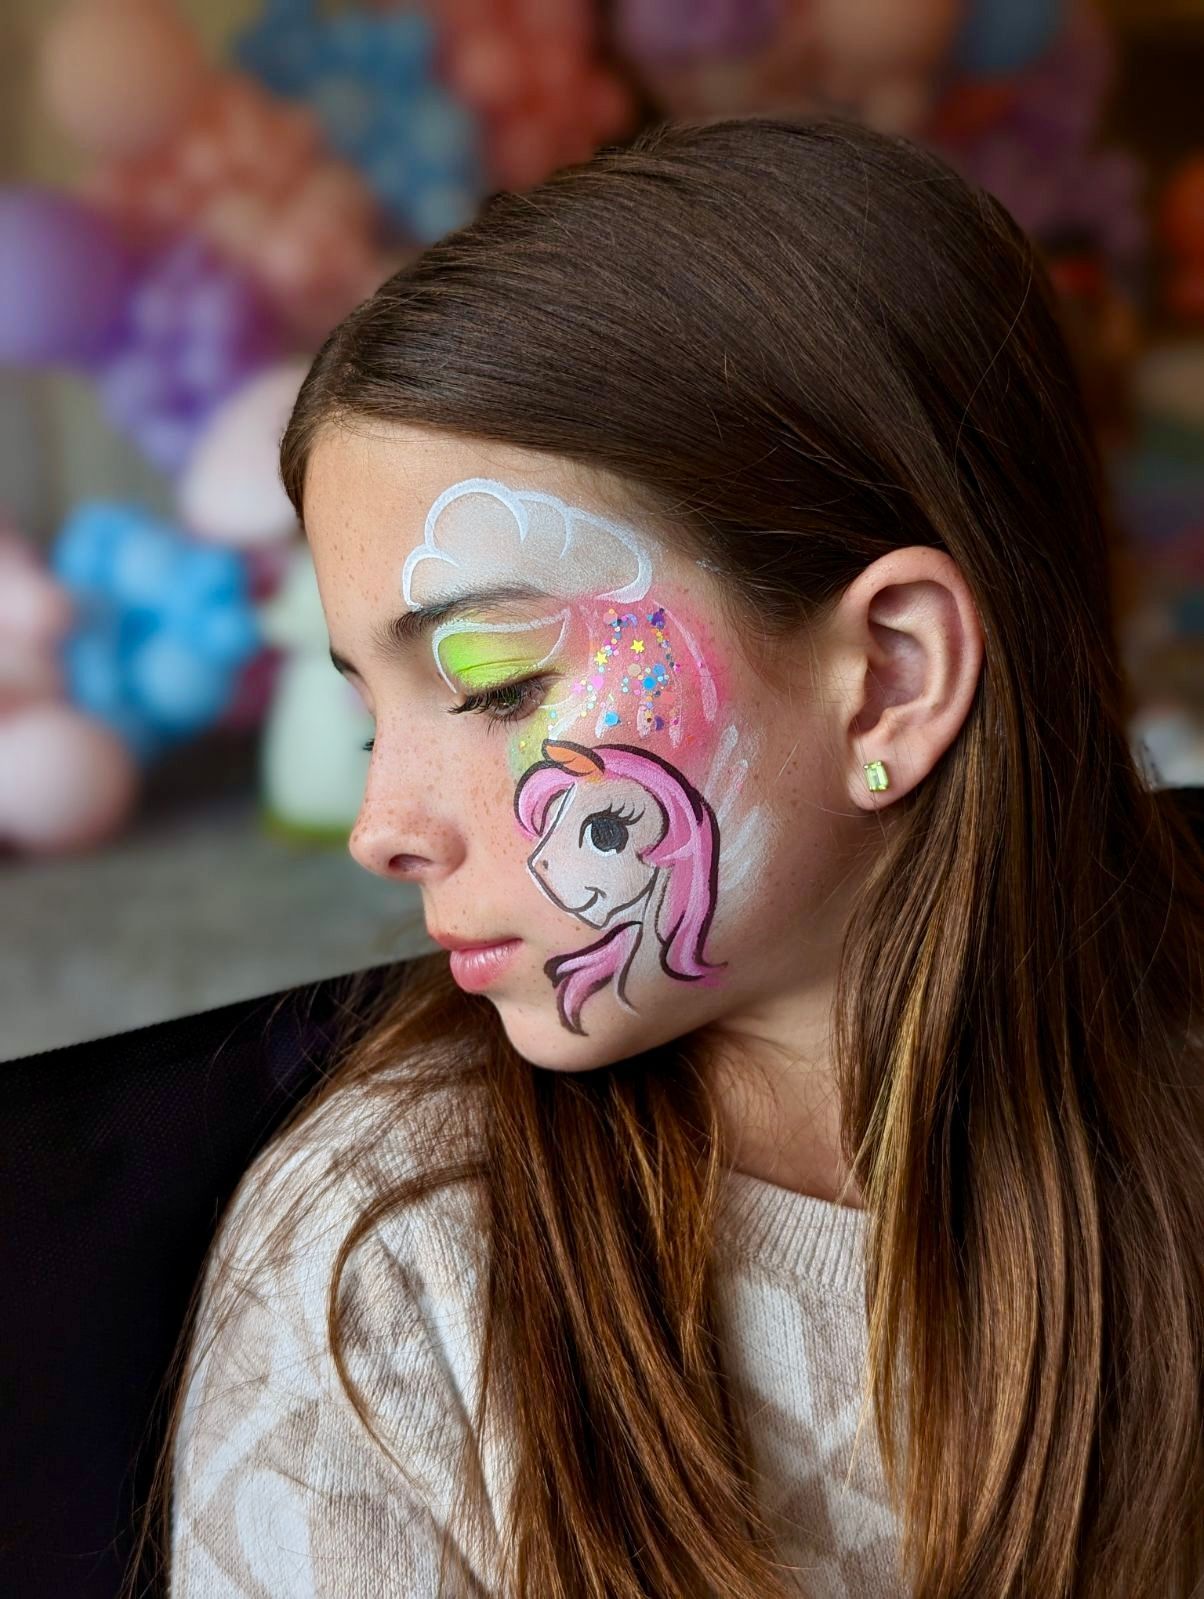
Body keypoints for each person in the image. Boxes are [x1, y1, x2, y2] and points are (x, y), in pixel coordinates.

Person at [143, 116, 1204, 1598]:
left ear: (890, 678)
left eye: (498, 683)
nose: (382, 828)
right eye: (368, 709)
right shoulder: (387, 1273)